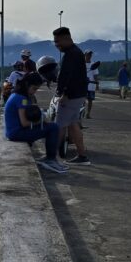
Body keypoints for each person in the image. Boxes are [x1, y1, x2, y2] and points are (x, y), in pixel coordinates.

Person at [4, 72, 66, 173]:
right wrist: (42, 120)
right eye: (34, 88)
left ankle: (50, 157)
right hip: (16, 133)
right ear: (27, 84)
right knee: (53, 127)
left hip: (13, 131)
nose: (35, 92)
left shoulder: (18, 94)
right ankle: (51, 159)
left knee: (49, 126)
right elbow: (24, 123)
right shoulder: (21, 99)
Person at [53, 27, 91, 165]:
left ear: (66, 38)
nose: (56, 45)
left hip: (70, 96)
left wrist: (64, 93)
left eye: (58, 41)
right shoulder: (76, 52)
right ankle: (82, 156)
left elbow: (67, 76)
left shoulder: (71, 54)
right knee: (73, 125)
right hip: (78, 95)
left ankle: (52, 158)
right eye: (55, 42)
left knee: (59, 126)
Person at [84, 50, 99, 118]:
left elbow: (95, 75)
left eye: (90, 55)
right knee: (81, 101)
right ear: (85, 55)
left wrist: (97, 85)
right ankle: (81, 113)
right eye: (88, 55)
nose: (89, 56)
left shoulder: (93, 64)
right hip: (82, 86)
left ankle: (88, 113)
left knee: (90, 100)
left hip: (91, 86)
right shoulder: (81, 64)